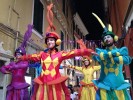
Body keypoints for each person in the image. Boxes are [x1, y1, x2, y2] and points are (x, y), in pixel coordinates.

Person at [18, 3, 97, 100]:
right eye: (48, 41)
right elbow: (31, 56)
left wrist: (88, 50)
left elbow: (75, 52)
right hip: (43, 83)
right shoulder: (42, 54)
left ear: (56, 42)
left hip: (55, 84)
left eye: (51, 40)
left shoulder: (60, 54)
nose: (49, 42)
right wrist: (21, 57)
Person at [92, 13, 132, 100]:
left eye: (108, 37)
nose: (106, 39)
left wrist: (112, 56)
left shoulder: (122, 50)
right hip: (105, 86)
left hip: (119, 86)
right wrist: (113, 55)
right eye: (105, 38)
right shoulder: (100, 51)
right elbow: (96, 57)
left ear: (114, 38)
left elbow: (127, 60)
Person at [0, 24, 33, 100]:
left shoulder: (25, 62)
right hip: (13, 87)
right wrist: (5, 71)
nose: (18, 55)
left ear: (23, 55)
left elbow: (24, 66)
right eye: (17, 54)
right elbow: (2, 68)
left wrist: (14, 66)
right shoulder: (13, 63)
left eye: (19, 54)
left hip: (21, 87)